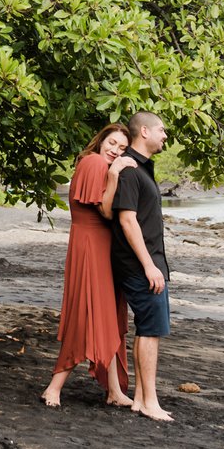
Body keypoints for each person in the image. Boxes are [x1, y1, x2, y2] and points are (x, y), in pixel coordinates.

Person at [39, 124, 133, 408]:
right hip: (91, 245)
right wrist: (115, 173)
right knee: (85, 313)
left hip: (99, 245)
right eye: (112, 143)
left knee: (108, 316)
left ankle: (114, 391)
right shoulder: (93, 162)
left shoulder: (98, 165)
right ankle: (54, 386)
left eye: (122, 149)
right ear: (101, 140)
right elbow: (104, 211)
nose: (115, 150)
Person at [107, 111, 174, 421]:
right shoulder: (131, 170)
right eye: (161, 130)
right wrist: (149, 266)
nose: (165, 135)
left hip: (147, 261)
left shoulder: (141, 168)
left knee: (150, 329)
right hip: (140, 264)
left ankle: (141, 399)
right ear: (144, 132)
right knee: (150, 330)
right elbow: (126, 220)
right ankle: (149, 402)